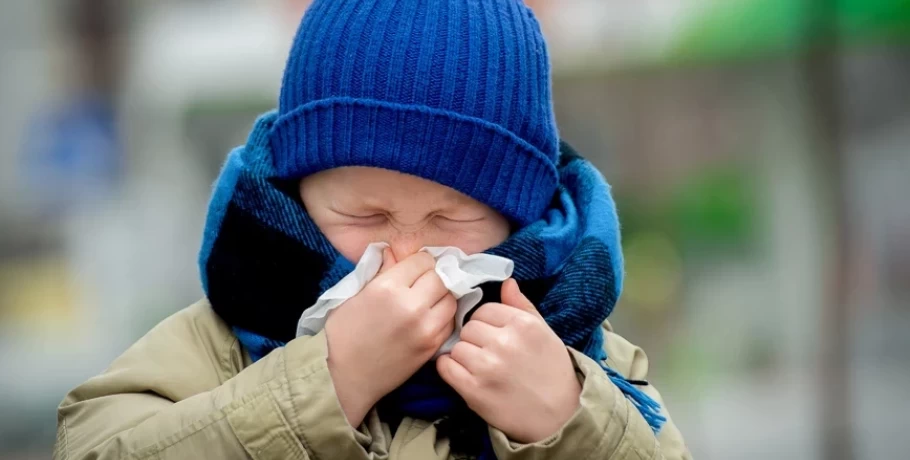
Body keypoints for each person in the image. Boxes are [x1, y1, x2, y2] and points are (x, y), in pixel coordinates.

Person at [54, 1, 691, 458]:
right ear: (299, 197)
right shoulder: (221, 341)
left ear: (515, 219)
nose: (406, 256)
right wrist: (326, 382)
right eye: (366, 216)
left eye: (450, 219)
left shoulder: (580, 356)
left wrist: (569, 423)